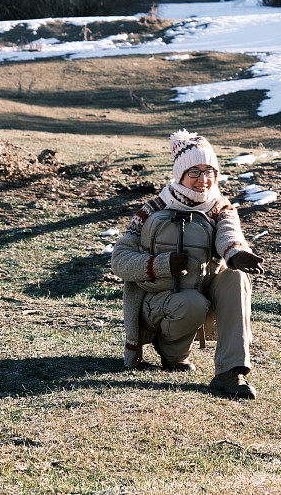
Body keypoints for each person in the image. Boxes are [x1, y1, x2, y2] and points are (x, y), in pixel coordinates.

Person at [111, 130, 264, 399]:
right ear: (180, 174)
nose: (203, 180)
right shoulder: (152, 210)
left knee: (236, 278)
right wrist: (161, 265)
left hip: (201, 295)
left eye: (209, 171)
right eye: (194, 171)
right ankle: (170, 352)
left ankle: (230, 373)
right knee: (191, 302)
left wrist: (235, 253)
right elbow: (120, 260)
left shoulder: (220, 207)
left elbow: (230, 232)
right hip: (157, 303)